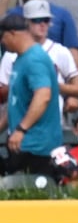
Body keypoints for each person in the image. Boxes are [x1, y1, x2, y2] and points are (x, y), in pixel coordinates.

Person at [0, 13, 62, 178]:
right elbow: (15, 103)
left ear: (12, 33)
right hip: (23, 144)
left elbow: (43, 96)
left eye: (2, 37)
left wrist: (21, 129)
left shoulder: (35, 59)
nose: (2, 42)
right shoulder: (20, 59)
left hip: (36, 145)